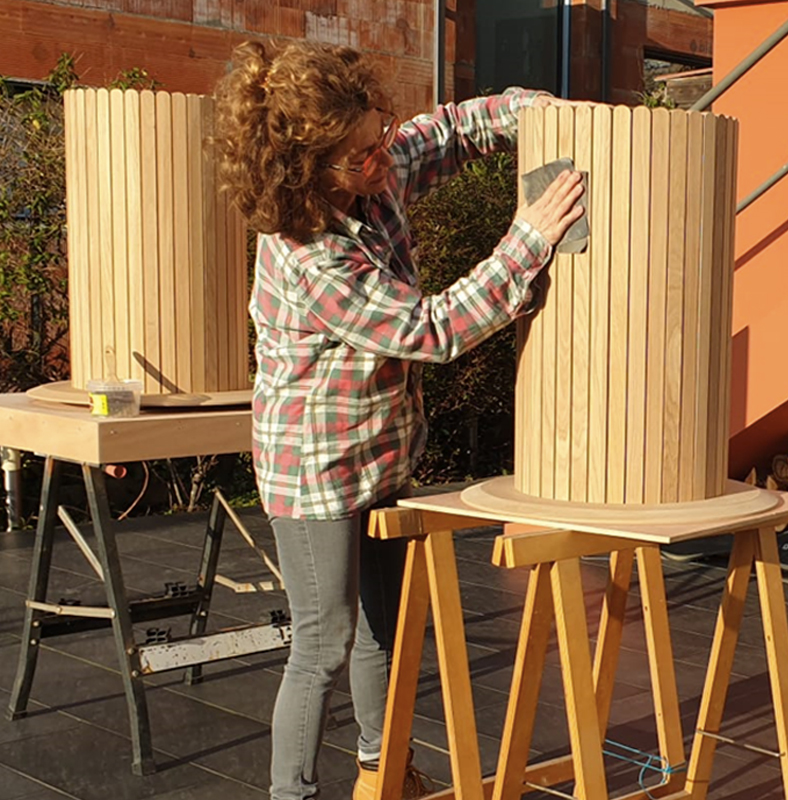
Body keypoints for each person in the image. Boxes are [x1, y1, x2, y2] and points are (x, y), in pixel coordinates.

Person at [214, 38, 586, 800]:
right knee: (324, 642)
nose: (382, 158)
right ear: (308, 169)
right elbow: (433, 328)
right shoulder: (307, 253)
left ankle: (386, 776)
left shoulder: (369, 168)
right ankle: (293, 793)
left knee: (389, 627)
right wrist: (528, 240)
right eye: (359, 156)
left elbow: (444, 131)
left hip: (380, 449)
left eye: (377, 134)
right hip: (315, 467)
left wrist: (528, 112)